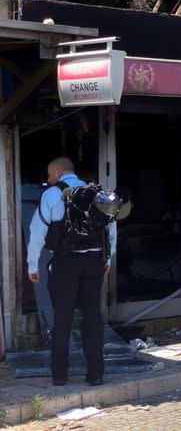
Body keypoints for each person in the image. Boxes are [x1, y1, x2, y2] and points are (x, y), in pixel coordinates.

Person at [27, 157, 117, 386]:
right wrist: (108, 258)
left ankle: (59, 375)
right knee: (93, 317)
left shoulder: (52, 194)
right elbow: (111, 227)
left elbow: (36, 231)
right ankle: (96, 374)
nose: (47, 180)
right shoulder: (96, 194)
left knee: (62, 319)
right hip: (94, 261)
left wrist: (32, 265)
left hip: (65, 264)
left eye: (49, 175)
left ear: (57, 172)